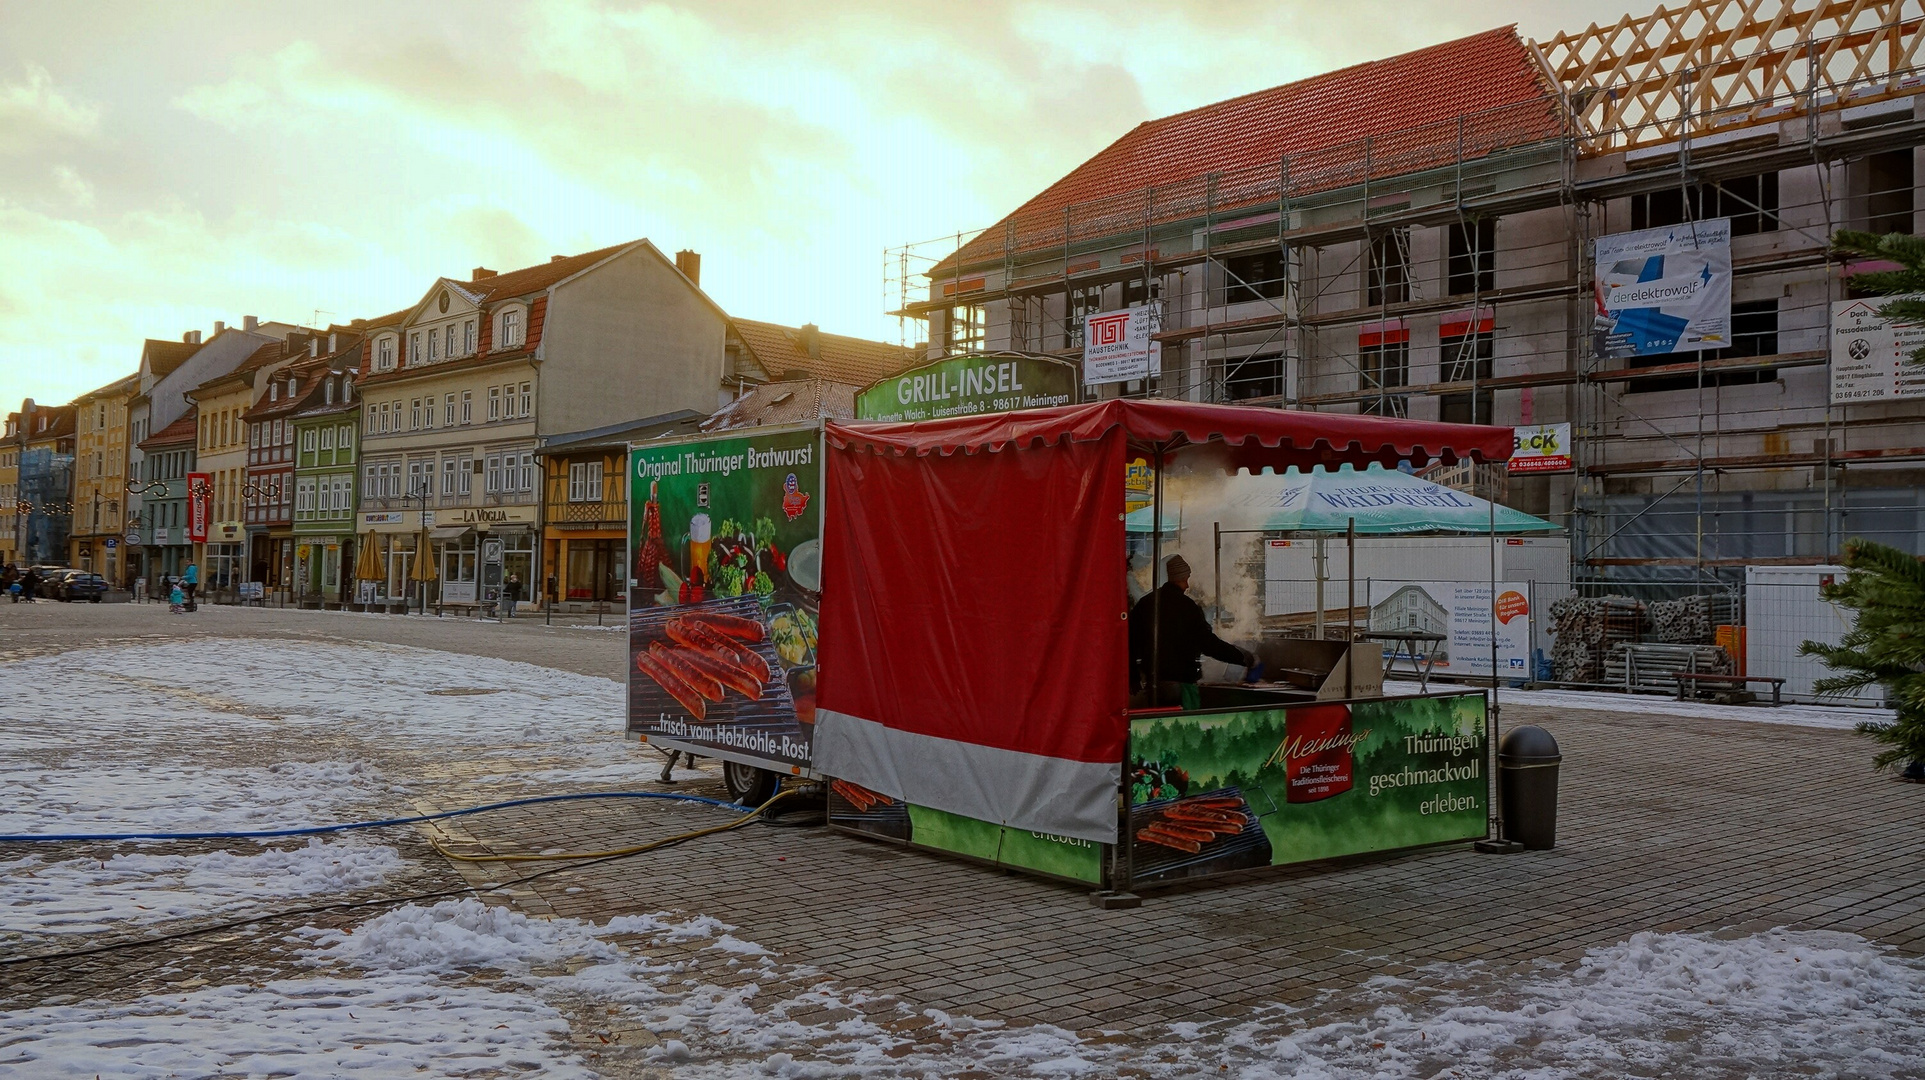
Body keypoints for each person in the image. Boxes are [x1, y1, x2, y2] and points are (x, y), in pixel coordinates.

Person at [1128, 554, 1255, 710]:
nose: (1187, 585)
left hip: (1153, 684)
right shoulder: (1187, 607)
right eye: (1186, 579)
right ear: (1179, 577)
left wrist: (1132, 675)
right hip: (1181, 685)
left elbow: (1129, 641)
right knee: (1184, 728)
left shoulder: (1146, 603)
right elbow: (1208, 644)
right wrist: (1242, 657)